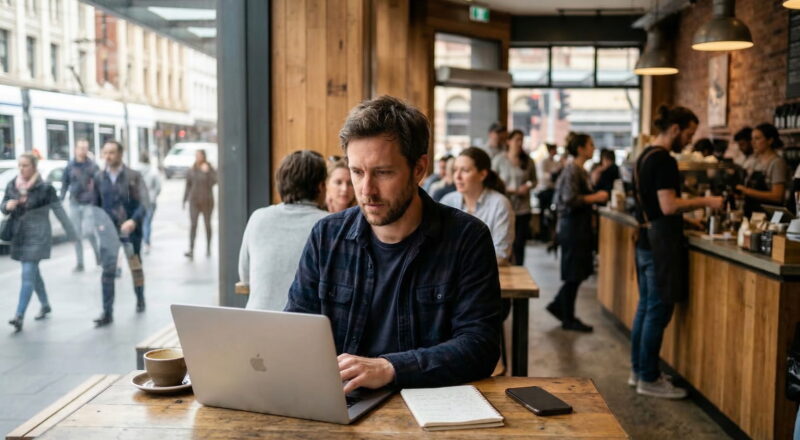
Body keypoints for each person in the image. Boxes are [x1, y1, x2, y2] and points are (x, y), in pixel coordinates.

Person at [286, 96, 502, 392]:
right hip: (342, 401)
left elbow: (480, 347)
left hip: (426, 407)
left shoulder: (467, 238)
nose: (366, 191)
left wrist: (391, 368)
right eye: (357, 172)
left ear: (419, 168)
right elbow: (295, 330)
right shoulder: (326, 235)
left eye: (383, 173)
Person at [631, 105, 723, 399]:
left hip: (645, 239)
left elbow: (657, 207)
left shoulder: (643, 155)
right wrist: (706, 202)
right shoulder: (665, 161)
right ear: (674, 129)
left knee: (645, 308)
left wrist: (686, 217)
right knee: (657, 311)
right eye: (689, 133)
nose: (689, 140)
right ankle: (649, 377)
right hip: (661, 246)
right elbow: (668, 205)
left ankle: (638, 371)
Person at [240, 150, 329, 311]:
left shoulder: (258, 218)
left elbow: (244, 277)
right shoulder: (328, 225)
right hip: (304, 328)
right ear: (321, 186)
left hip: (254, 324)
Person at [3, 153, 76, 332]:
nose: (21, 169)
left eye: (25, 165)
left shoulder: (45, 188)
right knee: (33, 273)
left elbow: (59, 211)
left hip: (38, 236)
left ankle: (19, 315)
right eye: (20, 165)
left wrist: (72, 233)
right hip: (20, 235)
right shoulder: (12, 184)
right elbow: (3, 204)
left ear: (34, 166)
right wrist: (7, 206)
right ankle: (45, 304)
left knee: (27, 273)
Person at [546, 133, 608, 333]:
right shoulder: (573, 169)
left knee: (577, 271)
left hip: (577, 227)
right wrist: (595, 197)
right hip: (572, 227)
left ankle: (560, 307)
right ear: (580, 148)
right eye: (590, 144)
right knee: (574, 272)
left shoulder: (578, 169)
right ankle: (567, 316)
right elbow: (569, 198)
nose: (593, 147)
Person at [92, 140, 148, 327]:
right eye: (105, 152)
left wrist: (133, 220)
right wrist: (99, 225)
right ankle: (107, 312)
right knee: (107, 271)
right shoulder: (99, 177)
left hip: (130, 231)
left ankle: (140, 298)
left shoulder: (133, 176)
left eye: (112, 153)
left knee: (135, 267)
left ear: (120, 154)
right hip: (109, 233)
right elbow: (95, 206)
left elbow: (144, 203)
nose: (108, 156)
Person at [442, 147, 514, 266]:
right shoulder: (447, 201)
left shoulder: (500, 204)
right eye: (455, 170)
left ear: (482, 174)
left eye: (465, 170)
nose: (457, 176)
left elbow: (501, 254)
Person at [491, 129, 535, 265]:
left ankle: (519, 271)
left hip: (522, 209)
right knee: (504, 242)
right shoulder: (499, 160)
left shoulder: (528, 160)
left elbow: (534, 180)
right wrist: (514, 190)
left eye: (522, 139)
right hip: (504, 207)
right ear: (508, 141)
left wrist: (528, 186)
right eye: (517, 139)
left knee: (520, 244)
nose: (520, 143)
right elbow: (492, 182)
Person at [61, 138, 100, 272]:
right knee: (76, 234)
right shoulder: (70, 165)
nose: (83, 150)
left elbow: (100, 182)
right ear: (76, 149)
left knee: (89, 232)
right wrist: (61, 198)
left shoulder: (92, 165)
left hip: (89, 203)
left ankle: (98, 257)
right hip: (74, 203)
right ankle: (80, 263)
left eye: (85, 148)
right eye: (81, 147)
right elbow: (65, 182)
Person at [736, 123, 788, 217]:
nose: (753, 142)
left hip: (769, 217)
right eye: (752, 138)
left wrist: (747, 191)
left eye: (757, 138)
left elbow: (778, 196)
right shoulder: (755, 161)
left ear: (770, 140)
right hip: (752, 215)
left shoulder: (777, 163)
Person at [183, 149, 217, 259]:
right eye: (196, 155)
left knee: (207, 225)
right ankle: (191, 249)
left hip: (207, 201)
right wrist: (184, 200)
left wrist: (207, 172)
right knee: (193, 225)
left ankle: (208, 248)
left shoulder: (208, 168)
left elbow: (215, 181)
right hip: (194, 201)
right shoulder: (192, 169)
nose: (197, 157)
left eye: (199, 155)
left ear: (203, 156)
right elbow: (188, 185)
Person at [536, 143, 562, 243]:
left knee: (553, 215)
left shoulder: (556, 162)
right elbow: (545, 176)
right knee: (543, 214)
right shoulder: (543, 162)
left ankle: (553, 237)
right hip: (544, 191)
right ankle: (543, 236)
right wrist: (554, 173)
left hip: (553, 191)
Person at [137, 151, 161, 254]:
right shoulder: (153, 171)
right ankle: (147, 242)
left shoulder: (135, 170)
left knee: (140, 222)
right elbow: (158, 187)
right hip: (150, 200)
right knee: (147, 222)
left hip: (138, 200)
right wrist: (154, 195)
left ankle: (142, 241)